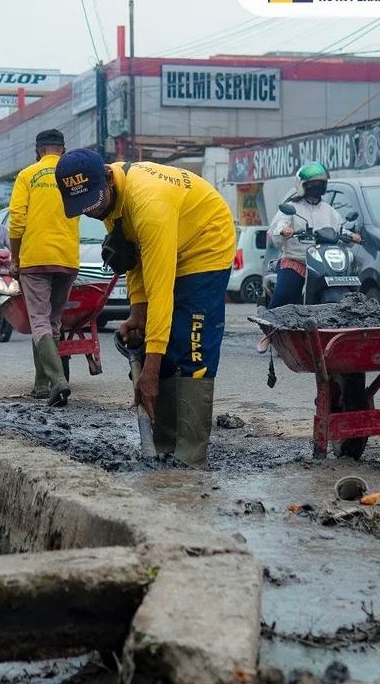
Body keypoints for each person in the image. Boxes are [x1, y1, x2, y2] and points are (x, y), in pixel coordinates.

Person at [55, 148, 236, 470]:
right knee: (162, 348)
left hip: (204, 246)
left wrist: (149, 371)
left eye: (96, 203)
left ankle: (191, 456)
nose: (93, 212)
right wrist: (138, 311)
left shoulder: (148, 203)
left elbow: (161, 290)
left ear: (109, 178)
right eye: (84, 208)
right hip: (169, 241)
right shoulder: (112, 200)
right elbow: (133, 258)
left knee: (191, 346)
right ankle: (165, 446)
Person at [8, 129, 80, 406]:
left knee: (39, 320)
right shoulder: (73, 177)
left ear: (38, 150)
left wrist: (16, 257)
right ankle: (41, 385)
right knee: (52, 322)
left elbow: (16, 220)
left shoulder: (27, 175)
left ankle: (58, 380)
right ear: (62, 149)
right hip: (67, 257)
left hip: (36, 257)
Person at [256, 162, 358, 354]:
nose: (317, 187)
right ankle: (268, 333)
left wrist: (351, 235)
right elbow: (279, 226)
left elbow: (341, 228)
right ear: (302, 185)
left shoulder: (329, 210)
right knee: (286, 292)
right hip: (297, 260)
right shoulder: (292, 207)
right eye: (312, 184)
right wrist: (285, 230)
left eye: (320, 183)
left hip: (323, 260)